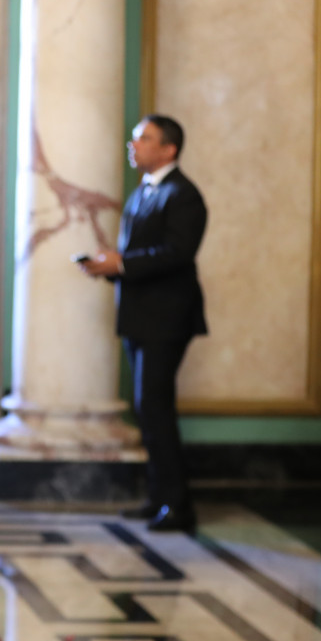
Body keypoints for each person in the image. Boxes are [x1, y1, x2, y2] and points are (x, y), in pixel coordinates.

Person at [80, 114, 207, 533]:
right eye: (135, 139)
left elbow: (176, 254)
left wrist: (122, 264)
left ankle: (178, 507)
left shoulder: (183, 194)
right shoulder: (145, 189)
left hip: (166, 319)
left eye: (144, 139)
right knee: (148, 410)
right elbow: (141, 254)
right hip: (141, 317)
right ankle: (160, 498)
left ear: (169, 149)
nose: (133, 145)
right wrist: (109, 267)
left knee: (155, 408)